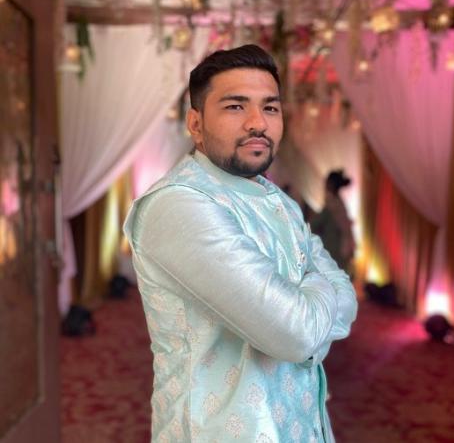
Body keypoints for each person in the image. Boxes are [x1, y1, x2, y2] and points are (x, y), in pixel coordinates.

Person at [123, 45, 358, 442]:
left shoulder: (276, 198)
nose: (257, 123)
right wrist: (316, 296)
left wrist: (309, 307)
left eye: (270, 108)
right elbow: (297, 334)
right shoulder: (179, 204)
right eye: (235, 106)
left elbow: (347, 302)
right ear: (196, 124)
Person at [310, 170, 356, 273]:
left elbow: (314, 225)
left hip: (333, 252)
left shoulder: (332, 206)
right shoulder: (339, 204)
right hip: (338, 252)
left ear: (330, 185)